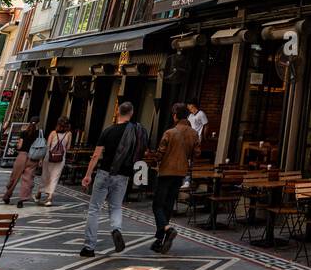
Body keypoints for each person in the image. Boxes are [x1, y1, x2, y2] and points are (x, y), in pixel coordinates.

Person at [80, 102, 147, 257]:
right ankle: (116, 228)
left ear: (117, 111)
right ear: (131, 113)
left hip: (104, 173)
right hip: (122, 176)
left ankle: (89, 247)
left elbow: (96, 155)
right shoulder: (135, 131)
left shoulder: (108, 131)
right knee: (116, 207)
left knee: (94, 209)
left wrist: (88, 174)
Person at [150, 103, 198, 254]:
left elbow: (160, 153)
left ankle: (167, 229)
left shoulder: (170, 132)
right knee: (168, 205)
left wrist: (152, 157)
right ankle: (160, 240)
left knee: (157, 205)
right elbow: (196, 154)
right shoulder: (194, 134)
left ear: (176, 115)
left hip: (166, 173)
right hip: (180, 173)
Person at [2, 122, 39, 207]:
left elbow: (19, 146)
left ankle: (7, 195)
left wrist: (16, 146)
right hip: (33, 158)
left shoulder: (23, 133)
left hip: (22, 156)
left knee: (14, 177)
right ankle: (21, 200)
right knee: (27, 180)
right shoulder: (38, 135)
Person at [36, 119, 72, 206]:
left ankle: (39, 194)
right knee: (54, 177)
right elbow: (68, 148)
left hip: (49, 157)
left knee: (45, 175)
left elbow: (47, 146)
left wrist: (41, 159)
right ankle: (49, 198)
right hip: (60, 158)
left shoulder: (53, 133)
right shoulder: (69, 134)